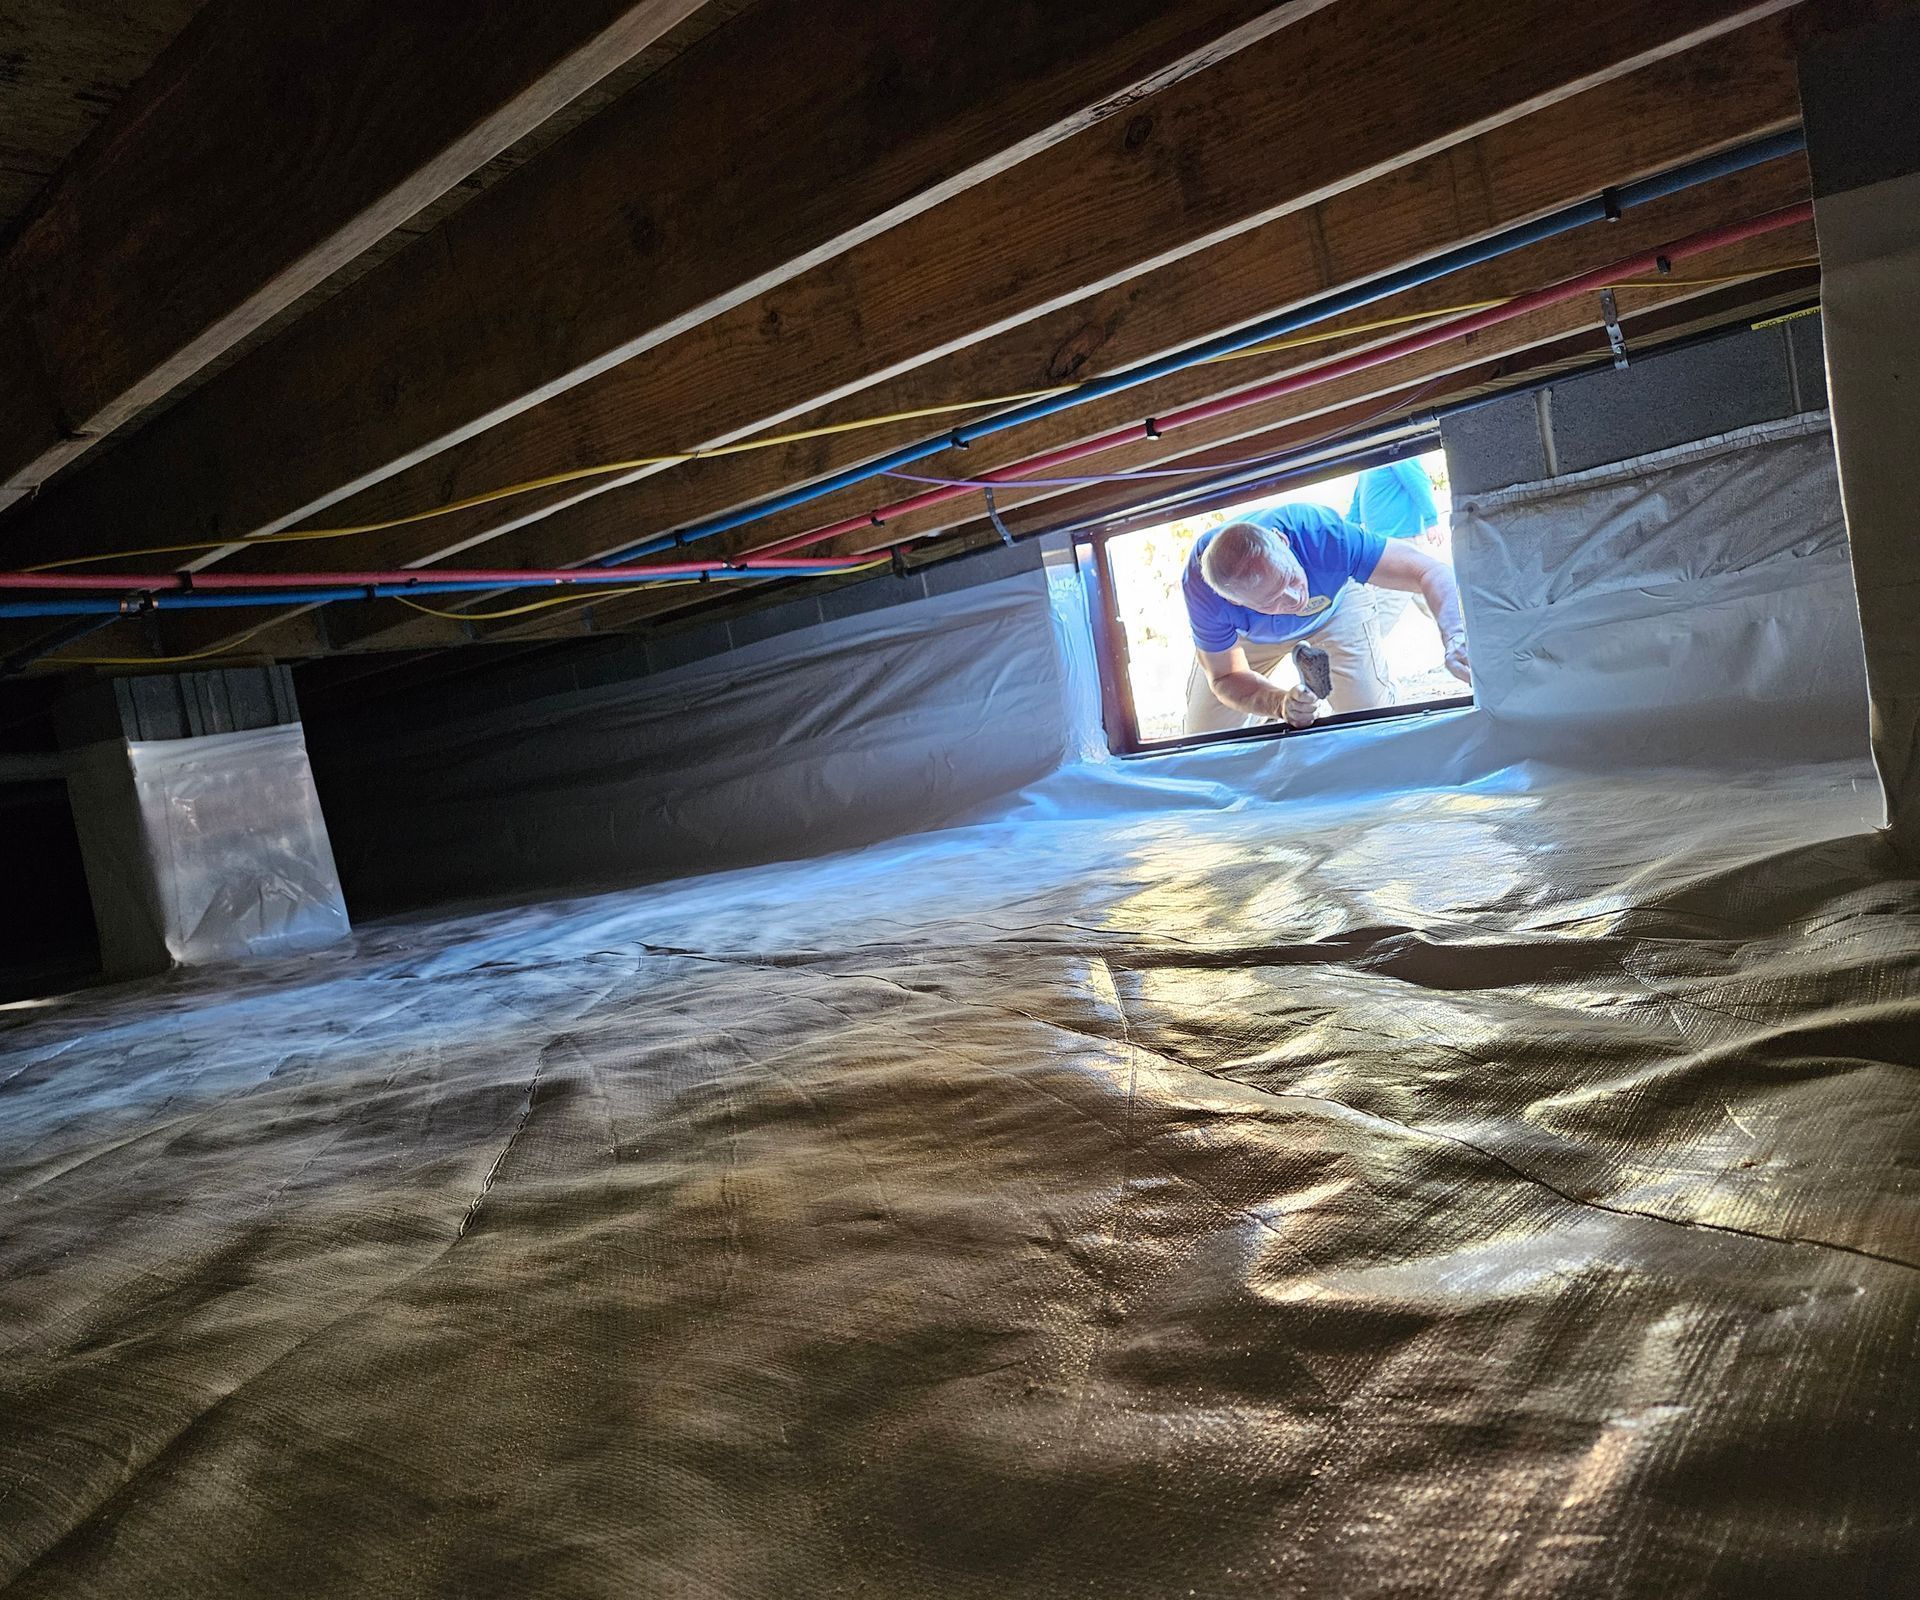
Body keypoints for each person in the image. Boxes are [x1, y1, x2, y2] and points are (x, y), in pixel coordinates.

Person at [1181, 502, 1469, 735]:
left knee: (1369, 717)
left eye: (1291, 578)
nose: (1296, 600)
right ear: (1233, 600)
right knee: (1203, 735)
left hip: (1337, 605)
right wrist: (1279, 704)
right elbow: (1225, 676)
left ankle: (1378, 694)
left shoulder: (1322, 534)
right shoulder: (1204, 592)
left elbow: (1429, 571)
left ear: (1282, 541)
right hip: (1249, 634)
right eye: (1275, 599)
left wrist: (1455, 634)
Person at [1348, 458, 1443, 637]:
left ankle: (1362, 655)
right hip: (1380, 544)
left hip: (1401, 540)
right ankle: (1469, 652)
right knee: (1435, 603)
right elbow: (1357, 505)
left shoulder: (1394, 452)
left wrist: (1432, 520)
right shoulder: (1368, 462)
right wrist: (1343, 534)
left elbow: (1418, 481)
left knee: (1383, 609)